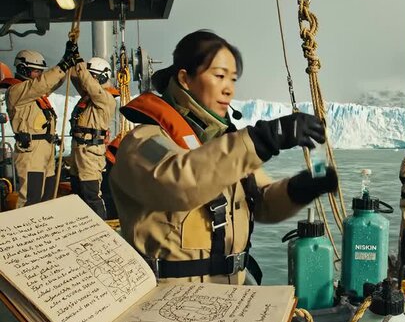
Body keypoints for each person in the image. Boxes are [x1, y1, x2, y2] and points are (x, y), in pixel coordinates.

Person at [109, 30, 338, 285]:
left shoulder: (223, 146)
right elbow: (179, 182)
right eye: (219, 76)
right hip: (169, 303)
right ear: (185, 78)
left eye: (232, 79)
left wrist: (300, 189)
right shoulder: (143, 142)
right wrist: (263, 139)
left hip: (229, 297)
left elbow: (262, 202)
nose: (229, 89)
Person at [0, 43, 79, 207]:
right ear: (23, 69)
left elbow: (50, 83)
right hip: (32, 153)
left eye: (40, 72)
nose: (39, 75)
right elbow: (42, 84)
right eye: (36, 71)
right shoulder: (17, 92)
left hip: (45, 152)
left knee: (47, 199)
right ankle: (26, 231)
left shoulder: (34, 94)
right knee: (31, 198)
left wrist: (67, 64)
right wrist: (62, 64)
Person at [68, 55, 119, 219]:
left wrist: (79, 62)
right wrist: (72, 58)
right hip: (78, 151)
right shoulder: (88, 97)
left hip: (90, 153)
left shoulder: (105, 99)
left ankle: (102, 230)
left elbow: (88, 83)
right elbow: (76, 77)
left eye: (92, 76)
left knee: (92, 196)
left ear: (102, 77)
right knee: (77, 194)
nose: (87, 80)